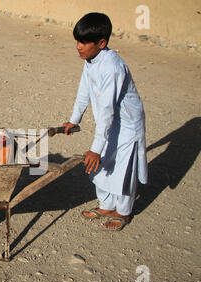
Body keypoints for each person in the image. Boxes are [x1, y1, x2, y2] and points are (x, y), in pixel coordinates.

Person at [63, 12, 148, 231]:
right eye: (77, 41)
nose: (78, 47)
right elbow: (85, 90)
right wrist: (74, 119)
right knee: (103, 164)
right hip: (110, 121)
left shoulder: (112, 67)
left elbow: (108, 110)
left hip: (128, 123)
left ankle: (123, 211)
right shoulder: (90, 60)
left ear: (102, 42)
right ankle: (107, 205)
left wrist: (95, 149)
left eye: (84, 42)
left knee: (123, 168)